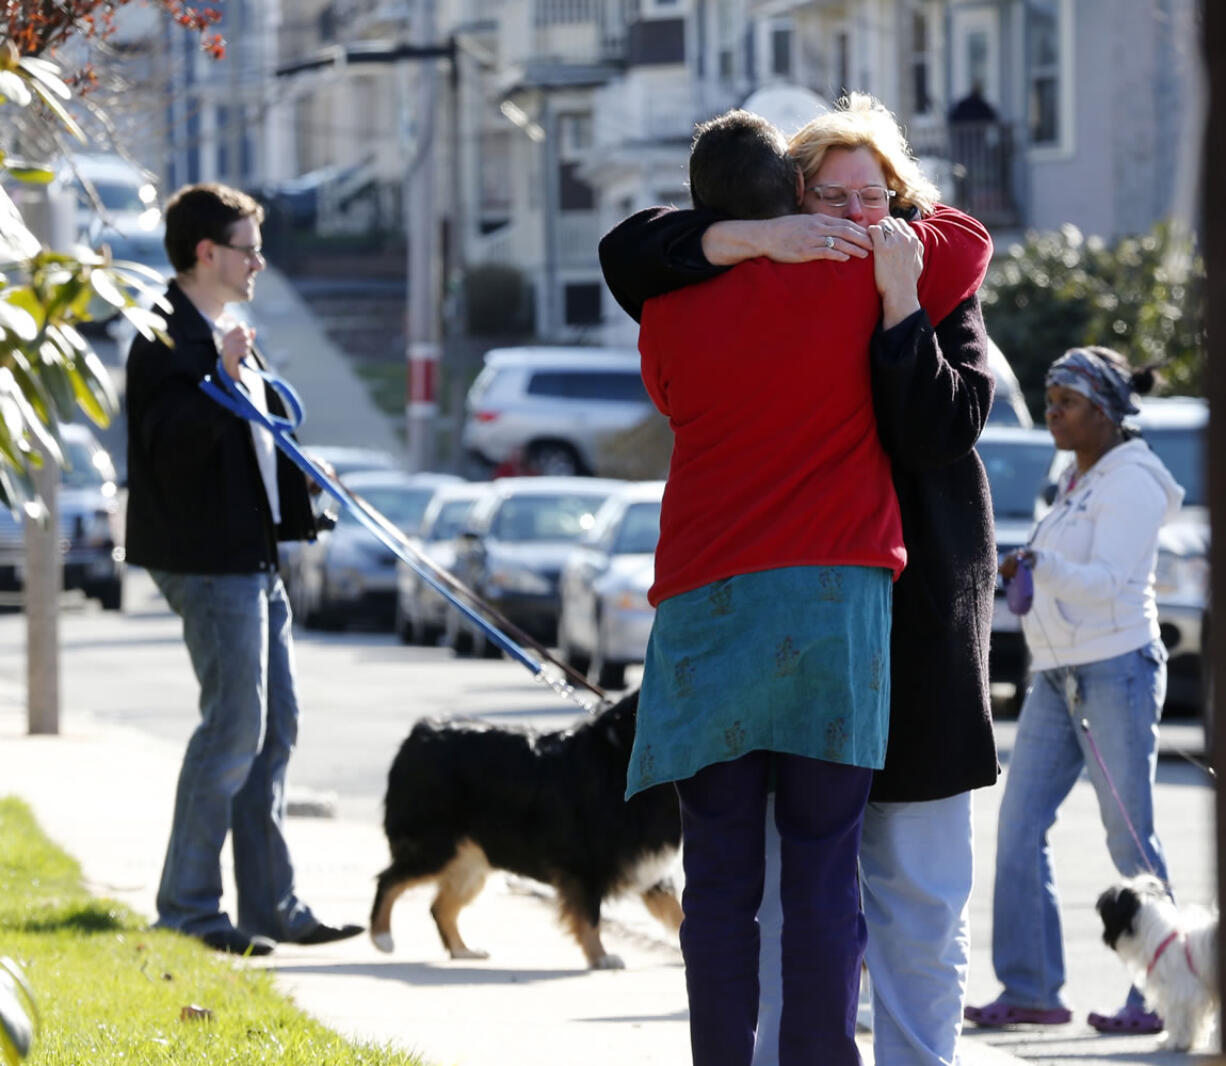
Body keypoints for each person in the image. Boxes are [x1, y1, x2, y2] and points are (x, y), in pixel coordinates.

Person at [599, 92, 999, 1066]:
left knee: (721, 882)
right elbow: (965, 239)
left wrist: (746, 240)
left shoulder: (665, 308)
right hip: (831, 601)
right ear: (793, 195)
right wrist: (845, 231)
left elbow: (627, 256)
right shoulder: (857, 276)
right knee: (823, 874)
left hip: (700, 606)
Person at [125, 183, 363, 955]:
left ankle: (272, 908)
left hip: (254, 557)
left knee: (273, 729)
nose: (259, 261)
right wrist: (221, 379)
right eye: (248, 247)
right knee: (233, 728)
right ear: (207, 252)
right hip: (205, 559)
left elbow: (254, 437)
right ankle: (188, 911)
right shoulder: (164, 335)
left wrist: (303, 486)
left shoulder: (228, 330)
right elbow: (166, 446)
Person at [964, 346, 1180, 1037]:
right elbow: (1062, 575)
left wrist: (1040, 562)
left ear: (1107, 413)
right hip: (1058, 675)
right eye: (1050, 400)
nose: (1052, 413)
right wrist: (1034, 565)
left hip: (1116, 669)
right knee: (1020, 827)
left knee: (1130, 841)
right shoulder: (1074, 474)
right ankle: (1030, 990)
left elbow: (1108, 581)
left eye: (1066, 403)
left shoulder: (1136, 480)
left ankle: (1160, 997)